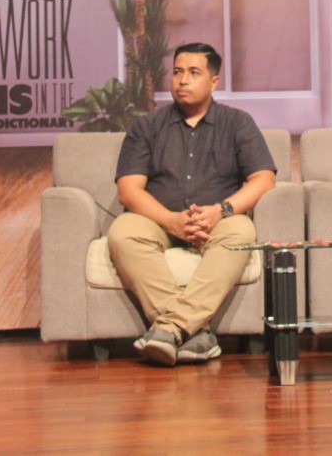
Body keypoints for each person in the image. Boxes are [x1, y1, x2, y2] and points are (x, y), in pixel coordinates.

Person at [108, 42, 277, 367]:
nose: (182, 80)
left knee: (241, 232)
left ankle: (169, 329)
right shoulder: (146, 126)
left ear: (213, 81)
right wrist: (170, 220)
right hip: (158, 220)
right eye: (177, 72)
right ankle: (194, 333)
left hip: (218, 220)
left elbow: (263, 180)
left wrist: (221, 211)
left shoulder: (238, 123)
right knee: (123, 232)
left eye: (193, 73)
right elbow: (128, 191)